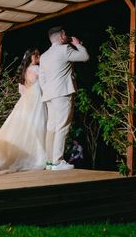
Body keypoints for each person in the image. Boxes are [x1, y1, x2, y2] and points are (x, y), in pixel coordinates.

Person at [39, 26, 89, 171]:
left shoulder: (44, 55)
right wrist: (78, 44)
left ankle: (49, 162)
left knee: (51, 128)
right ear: (61, 36)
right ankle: (58, 161)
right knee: (62, 126)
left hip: (49, 94)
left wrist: (48, 90)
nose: (66, 36)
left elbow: (42, 78)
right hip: (62, 93)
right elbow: (85, 57)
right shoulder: (64, 49)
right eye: (64, 34)